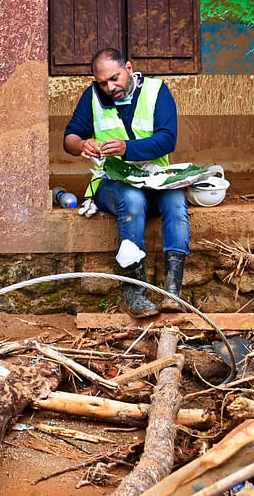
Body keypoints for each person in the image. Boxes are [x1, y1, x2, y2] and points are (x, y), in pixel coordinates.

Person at [63, 48, 189, 317]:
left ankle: (173, 291)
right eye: (103, 83)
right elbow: (70, 138)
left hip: (156, 178)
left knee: (177, 200)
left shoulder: (157, 92)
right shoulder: (93, 96)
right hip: (111, 182)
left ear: (129, 68)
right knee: (132, 199)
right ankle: (134, 291)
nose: (110, 87)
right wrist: (82, 144)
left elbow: (167, 139)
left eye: (115, 78)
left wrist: (126, 148)